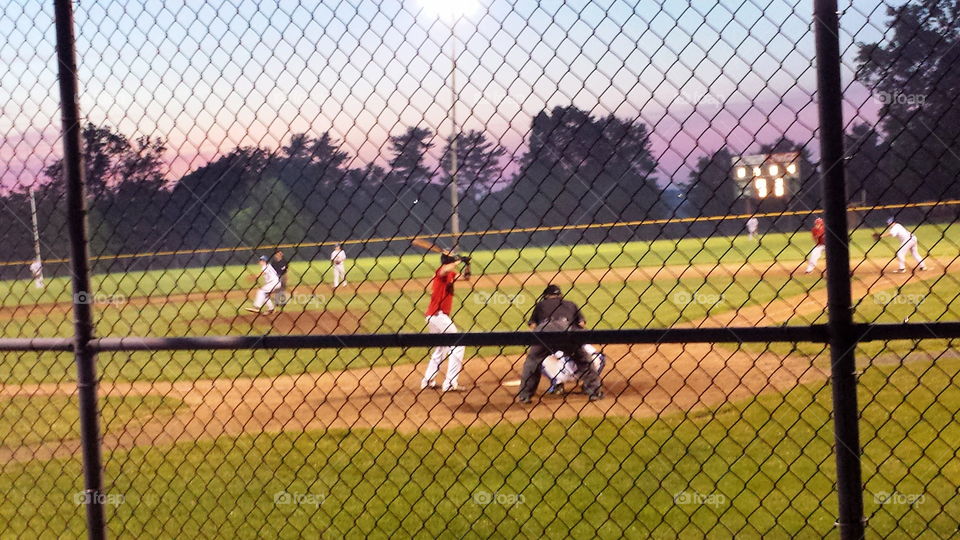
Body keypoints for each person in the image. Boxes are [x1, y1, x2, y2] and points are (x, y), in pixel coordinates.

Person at [516, 284, 602, 404]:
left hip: (544, 332)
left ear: (545, 296)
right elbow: (581, 324)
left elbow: (533, 326)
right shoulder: (571, 304)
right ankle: (595, 392)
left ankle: (525, 396)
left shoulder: (540, 305)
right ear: (560, 295)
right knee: (583, 360)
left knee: (532, 362)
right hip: (566, 331)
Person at [421, 253, 470, 392]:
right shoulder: (441, 272)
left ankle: (428, 380)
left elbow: (466, 278)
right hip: (437, 315)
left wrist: (467, 264)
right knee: (458, 344)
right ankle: (450, 383)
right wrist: (459, 260)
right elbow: (445, 269)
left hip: (434, 316)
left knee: (441, 347)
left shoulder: (451, 274)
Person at [541, 344, 606, 395]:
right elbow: (594, 353)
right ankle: (589, 384)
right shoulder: (582, 341)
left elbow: (552, 356)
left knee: (539, 359)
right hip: (585, 373)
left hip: (563, 374)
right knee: (600, 357)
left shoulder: (555, 342)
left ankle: (557, 384)